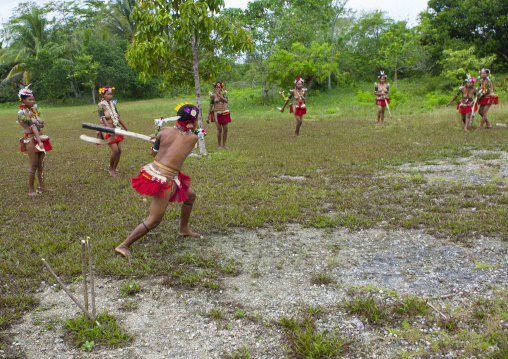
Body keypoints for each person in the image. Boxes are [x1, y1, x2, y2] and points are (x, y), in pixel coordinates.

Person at [115, 103, 201, 258]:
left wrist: (157, 141)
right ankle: (123, 245)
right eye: (196, 122)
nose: (197, 125)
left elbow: (155, 155)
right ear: (190, 123)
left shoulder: (163, 131)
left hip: (157, 171)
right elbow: (184, 137)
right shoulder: (193, 138)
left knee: (191, 196)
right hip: (165, 179)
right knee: (154, 220)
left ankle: (183, 229)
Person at [17, 85, 52, 196]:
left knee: (41, 164)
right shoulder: (22, 113)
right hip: (31, 139)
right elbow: (33, 127)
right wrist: (39, 141)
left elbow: (41, 124)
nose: (32, 101)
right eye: (29, 99)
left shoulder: (33, 110)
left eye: (33, 99)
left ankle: (42, 187)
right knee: (33, 165)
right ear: (23, 100)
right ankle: (31, 190)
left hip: (39, 137)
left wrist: (39, 124)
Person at [97, 87, 129, 176]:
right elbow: (103, 119)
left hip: (116, 128)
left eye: (111, 94)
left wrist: (126, 128)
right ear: (103, 95)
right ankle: (111, 168)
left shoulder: (113, 104)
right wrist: (109, 129)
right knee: (115, 150)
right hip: (106, 129)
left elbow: (118, 117)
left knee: (119, 150)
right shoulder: (101, 105)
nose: (110, 96)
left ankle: (114, 168)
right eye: (108, 94)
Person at [207, 82, 230, 149]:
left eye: (219, 87)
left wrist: (219, 96)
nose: (217, 88)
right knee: (219, 129)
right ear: (215, 88)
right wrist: (208, 116)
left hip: (224, 112)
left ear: (221, 88)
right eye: (216, 87)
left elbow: (226, 101)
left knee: (225, 129)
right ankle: (219, 145)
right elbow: (210, 107)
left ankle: (224, 145)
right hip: (216, 112)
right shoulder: (213, 96)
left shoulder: (224, 94)